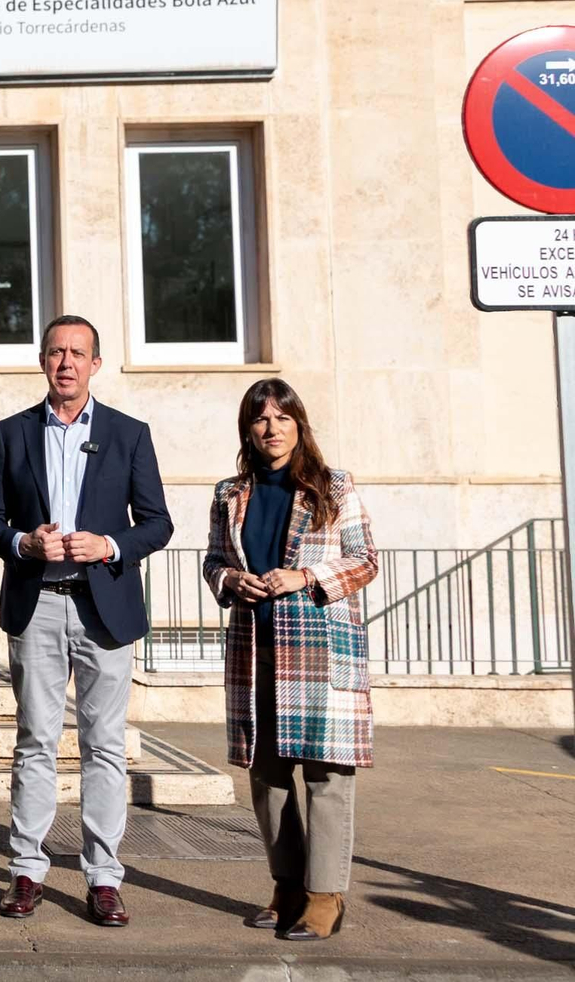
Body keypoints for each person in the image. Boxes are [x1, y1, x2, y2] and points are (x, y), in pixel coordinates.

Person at [0, 315, 172, 927]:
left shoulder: (129, 434)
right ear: (42, 361)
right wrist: (23, 543)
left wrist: (109, 546)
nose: (66, 363)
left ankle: (104, 878)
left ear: (95, 364)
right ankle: (26, 871)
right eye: (56, 352)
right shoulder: (11, 432)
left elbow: (158, 523)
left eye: (77, 353)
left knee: (104, 747)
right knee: (35, 740)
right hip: (37, 604)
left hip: (103, 607)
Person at [202, 378, 378, 941]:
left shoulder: (334, 486)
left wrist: (304, 577)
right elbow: (213, 562)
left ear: (299, 425)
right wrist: (232, 580)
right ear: (248, 430)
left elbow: (365, 560)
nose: (272, 428)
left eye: (282, 418)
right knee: (268, 775)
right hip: (254, 647)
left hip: (320, 650)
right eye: (261, 419)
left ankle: (325, 897)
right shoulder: (230, 493)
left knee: (326, 774)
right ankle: (287, 888)